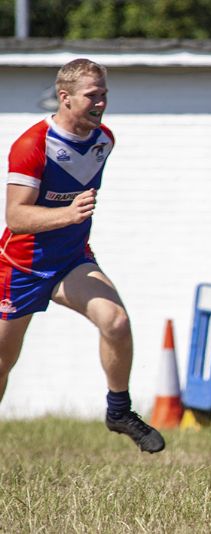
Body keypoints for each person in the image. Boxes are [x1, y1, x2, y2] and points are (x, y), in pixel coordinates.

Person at [0, 59, 165, 453]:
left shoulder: (103, 140)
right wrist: (67, 214)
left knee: (117, 322)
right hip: (21, 266)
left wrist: (71, 223)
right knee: (4, 362)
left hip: (71, 260)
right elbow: (15, 216)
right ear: (65, 97)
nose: (101, 103)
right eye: (92, 95)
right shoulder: (32, 145)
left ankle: (119, 410)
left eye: (104, 94)